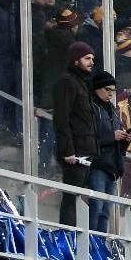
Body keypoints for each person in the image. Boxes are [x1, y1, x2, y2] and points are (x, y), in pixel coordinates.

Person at [53, 41, 97, 227]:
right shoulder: (67, 82)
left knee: (79, 199)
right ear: (75, 60)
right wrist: (68, 150)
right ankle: (67, 236)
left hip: (85, 151)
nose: (91, 62)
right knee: (71, 198)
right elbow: (62, 119)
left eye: (93, 59)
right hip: (75, 153)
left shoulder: (81, 83)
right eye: (87, 58)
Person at [87, 70, 129, 233]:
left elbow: (115, 141)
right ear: (97, 88)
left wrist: (125, 140)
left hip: (112, 166)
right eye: (107, 90)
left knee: (105, 213)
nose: (110, 94)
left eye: (113, 91)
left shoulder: (112, 110)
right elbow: (88, 138)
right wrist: (112, 136)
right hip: (98, 165)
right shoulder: (91, 108)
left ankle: (99, 249)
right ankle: (90, 246)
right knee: (96, 209)